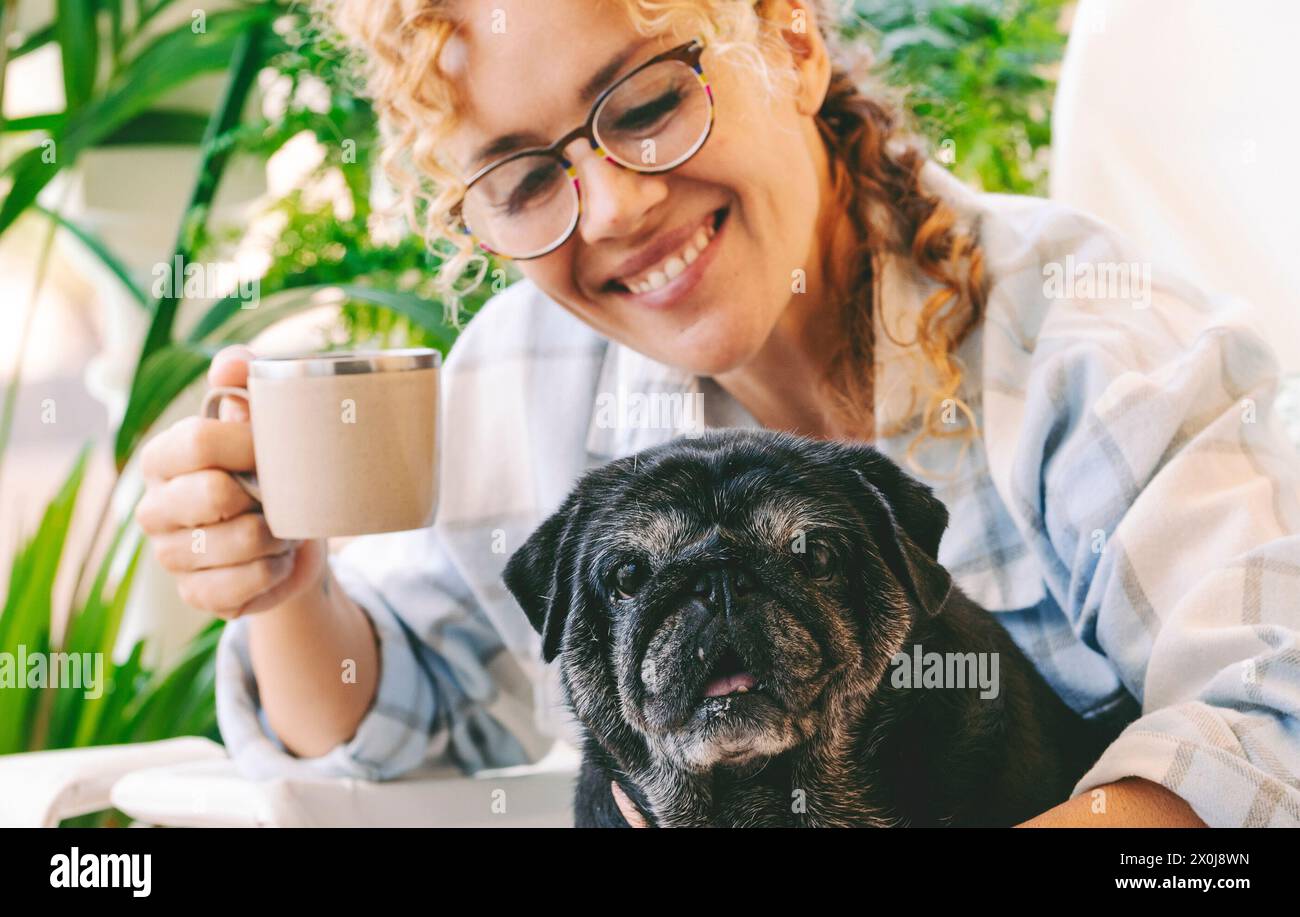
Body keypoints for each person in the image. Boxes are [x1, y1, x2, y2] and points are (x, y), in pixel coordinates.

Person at [134, 0, 1300, 827]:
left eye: (645, 103)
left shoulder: (1096, 346)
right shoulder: (528, 374)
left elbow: (1269, 730)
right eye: (528, 180)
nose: (613, 208)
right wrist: (290, 588)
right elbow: (405, 726)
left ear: (790, 38)